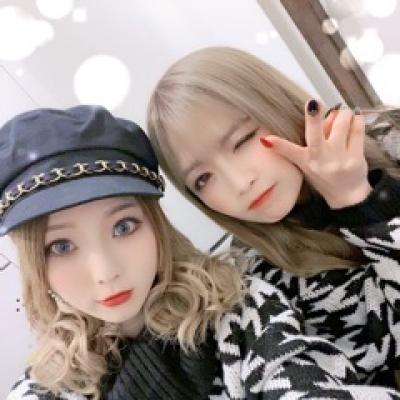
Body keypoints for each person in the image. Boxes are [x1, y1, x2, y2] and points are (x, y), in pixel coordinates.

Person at [5, 106, 400, 400]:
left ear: (157, 227)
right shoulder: (45, 386)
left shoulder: (238, 310)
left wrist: (360, 201)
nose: (104, 272)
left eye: (123, 226)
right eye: (61, 246)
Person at [147, 46, 400, 387]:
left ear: (275, 103)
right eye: (203, 179)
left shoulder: (389, 134)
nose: (240, 183)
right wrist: (353, 200)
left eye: (242, 140)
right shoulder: (264, 282)